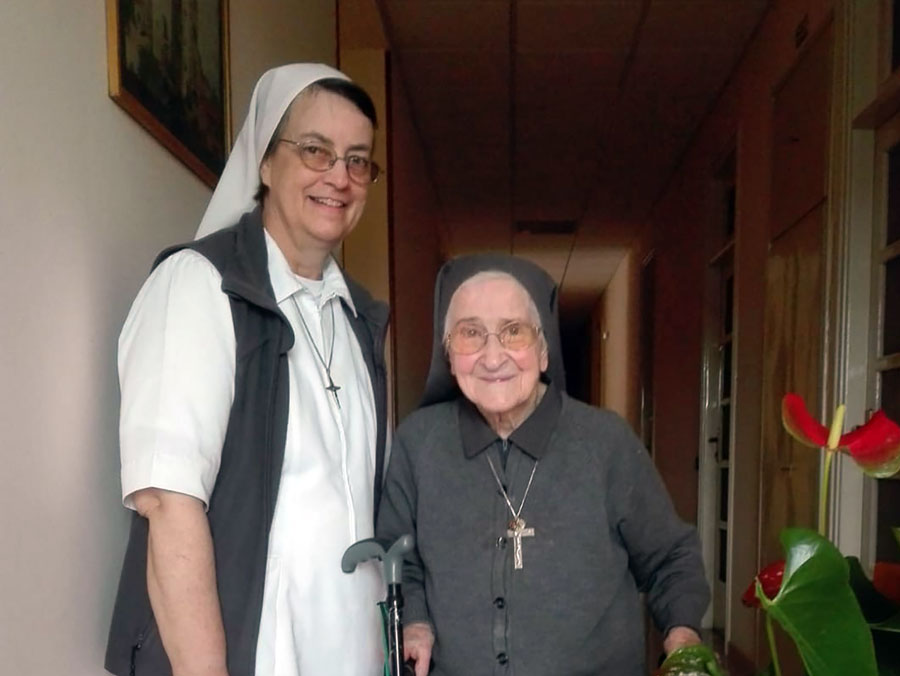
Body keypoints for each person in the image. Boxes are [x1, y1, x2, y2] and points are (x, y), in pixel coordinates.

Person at [105, 64, 390, 676]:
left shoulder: (360, 317)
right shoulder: (197, 287)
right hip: (253, 654)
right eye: (315, 150)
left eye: (358, 160)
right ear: (265, 161)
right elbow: (167, 500)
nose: (338, 177)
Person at [376, 254, 710, 676]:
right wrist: (416, 622)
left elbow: (670, 558)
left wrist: (682, 636)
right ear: (448, 355)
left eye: (513, 332)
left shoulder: (605, 444)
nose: (492, 357)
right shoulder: (418, 443)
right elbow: (398, 559)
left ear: (543, 350)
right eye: (470, 334)